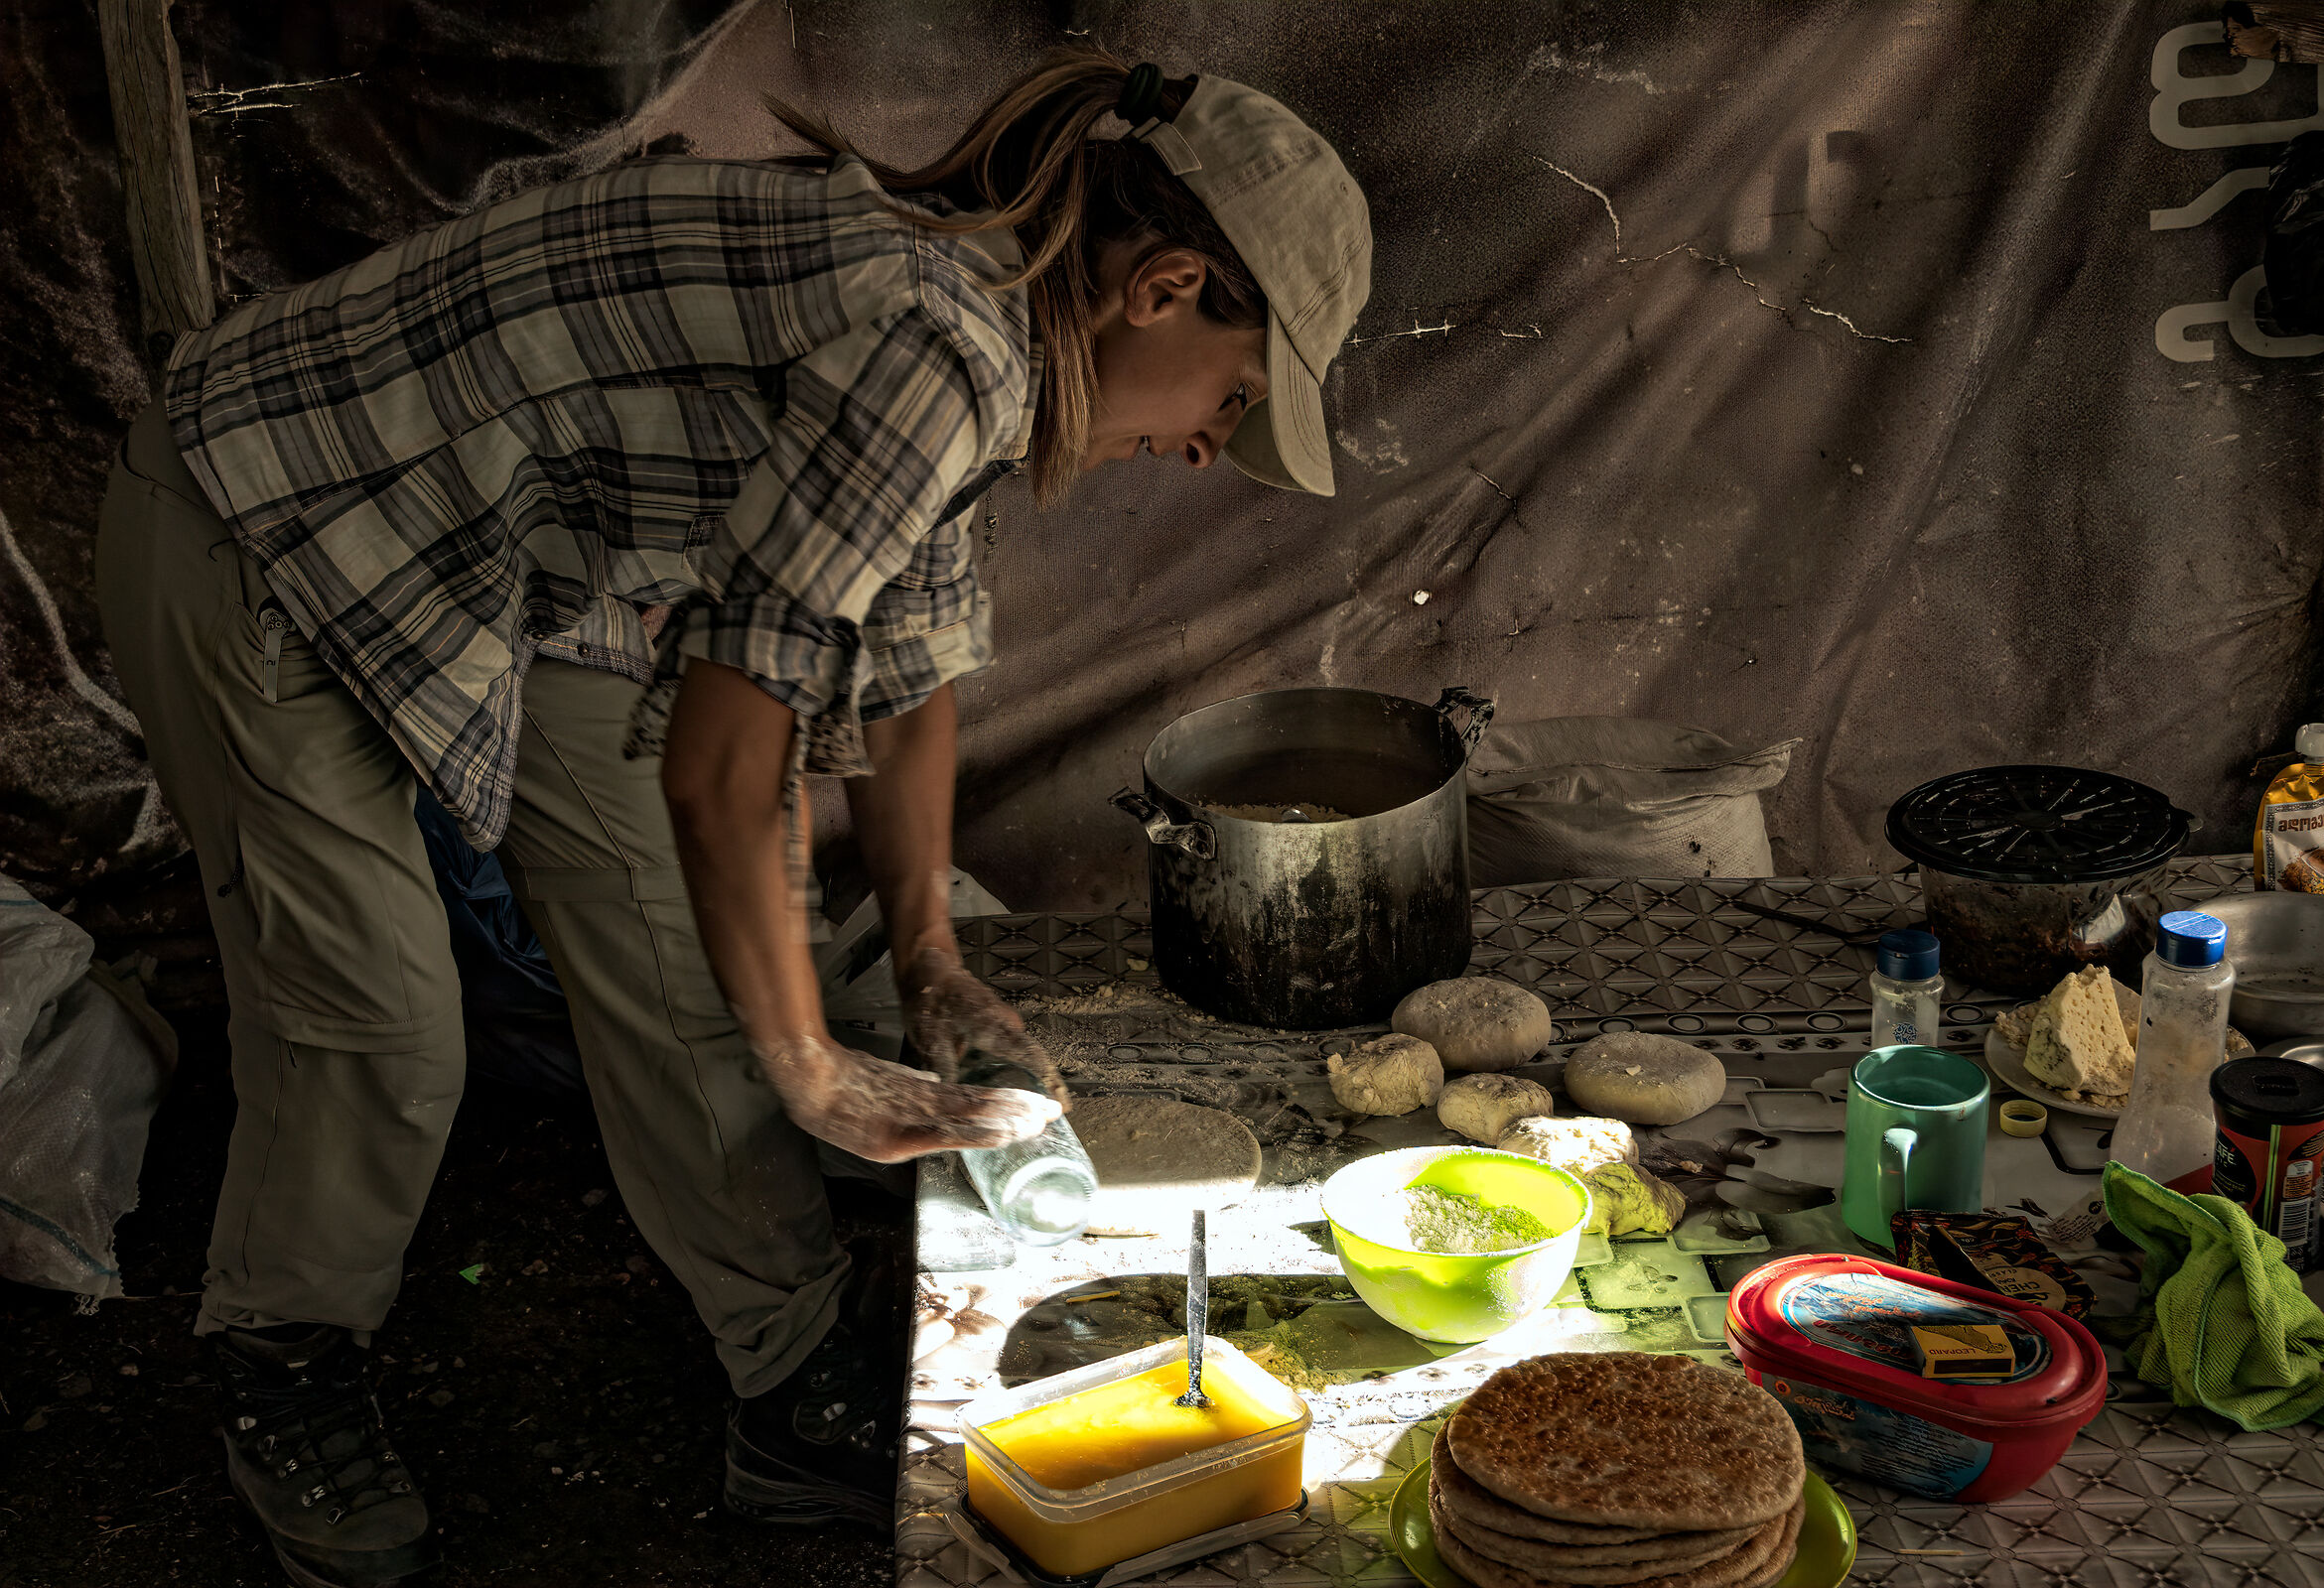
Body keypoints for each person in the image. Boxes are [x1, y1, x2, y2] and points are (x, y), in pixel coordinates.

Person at [95, 44, 1369, 1588]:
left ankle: (791, 1378)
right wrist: (811, 1067)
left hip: (515, 558)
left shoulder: (985, 335)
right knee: (373, 1021)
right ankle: (283, 1358)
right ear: (1162, 287)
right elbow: (719, 767)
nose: (1199, 448)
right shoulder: (939, 340)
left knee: (681, 950)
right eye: (1233, 401)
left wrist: (928, 958)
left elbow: (910, 682)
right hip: (273, 505)